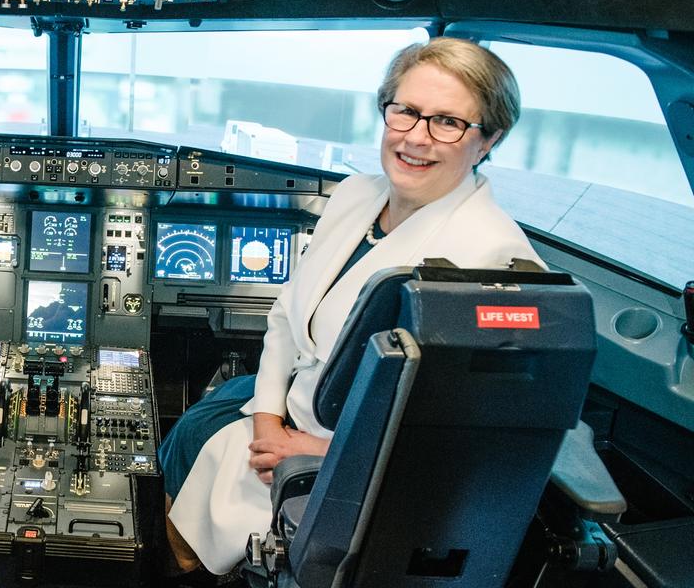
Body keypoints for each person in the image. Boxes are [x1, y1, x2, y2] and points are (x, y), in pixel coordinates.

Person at [159, 37, 542, 576]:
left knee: (192, 490)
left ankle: (184, 566)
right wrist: (267, 416)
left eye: (447, 122)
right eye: (406, 112)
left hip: (347, 461)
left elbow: (480, 441)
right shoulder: (356, 195)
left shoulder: (492, 262)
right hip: (293, 406)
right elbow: (286, 318)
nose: (416, 138)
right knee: (187, 434)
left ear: (488, 140)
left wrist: (322, 451)